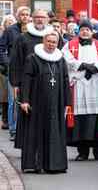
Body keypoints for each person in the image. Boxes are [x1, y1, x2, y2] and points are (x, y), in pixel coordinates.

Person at [20, 31, 70, 173]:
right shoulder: (33, 58)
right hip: (37, 102)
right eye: (49, 41)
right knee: (37, 132)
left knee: (55, 132)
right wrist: (24, 100)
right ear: (43, 41)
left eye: (54, 42)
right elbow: (26, 79)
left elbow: (66, 80)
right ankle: (36, 164)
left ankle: (55, 165)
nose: (51, 44)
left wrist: (67, 102)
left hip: (57, 102)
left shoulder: (60, 60)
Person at [62, 20, 98, 162]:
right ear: (79, 31)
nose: (85, 32)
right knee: (81, 120)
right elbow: (67, 59)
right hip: (79, 85)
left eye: (88, 30)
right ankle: (82, 152)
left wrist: (94, 67)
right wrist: (83, 65)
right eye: (82, 29)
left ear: (92, 31)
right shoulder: (70, 45)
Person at [10, 9, 53, 148]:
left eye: (43, 17)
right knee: (29, 114)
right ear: (32, 19)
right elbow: (15, 61)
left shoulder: (53, 37)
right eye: (37, 17)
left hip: (49, 83)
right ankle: (29, 145)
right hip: (29, 83)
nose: (40, 20)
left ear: (48, 19)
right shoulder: (23, 38)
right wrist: (16, 83)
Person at [0, 6, 30, 139]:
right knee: (14, 101)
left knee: (28, 100)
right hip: (14, 71)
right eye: (22, 14)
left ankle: (27, 129)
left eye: (27, 14)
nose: (24, 17)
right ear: (17, 16)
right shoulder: (10, 31)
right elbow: (1, 48)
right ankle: (13, 130)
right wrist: (7, 63)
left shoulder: (32, 31)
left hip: (30, 71)